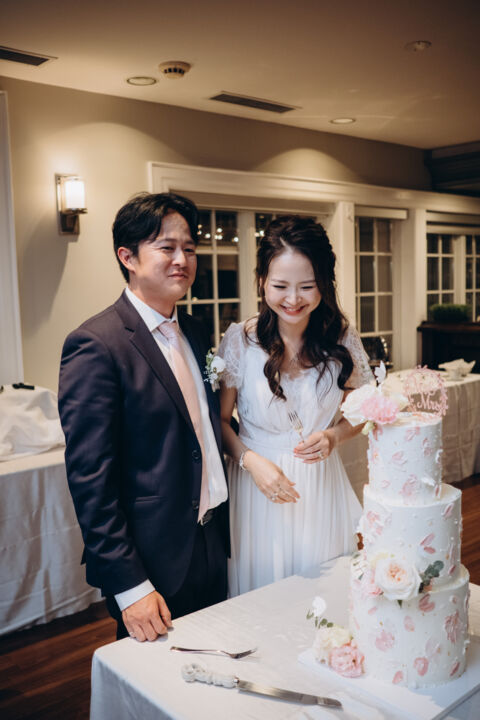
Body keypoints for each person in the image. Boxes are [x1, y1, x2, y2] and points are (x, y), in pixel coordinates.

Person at [58, 192, 229, 641]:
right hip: (152, 558)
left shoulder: (194, 330)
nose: (182, 260)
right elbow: (90, 481)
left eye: (189, 248)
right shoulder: (96, 344)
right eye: (167, 248)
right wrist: (130, 586)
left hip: (213, 541)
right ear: (128, 257)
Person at [219, 215, 372, 596]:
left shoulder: (341, 339)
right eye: (280, 286)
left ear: (324, 283)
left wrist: (334, 436)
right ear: (261, 282)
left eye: (307, 286)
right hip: (258, 488)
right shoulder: (239, 341)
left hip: (320, 485)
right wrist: (250, 462)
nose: (293, 299)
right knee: (263, 596)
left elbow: (363, 411)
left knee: (325, 598)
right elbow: (219, 422)